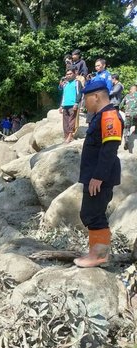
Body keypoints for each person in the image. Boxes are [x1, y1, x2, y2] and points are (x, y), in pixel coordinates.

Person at [73, 79, 123, 268]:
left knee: (93, 214)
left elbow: (110, 149)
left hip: (100, 177)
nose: (84, 103)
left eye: (86, 98)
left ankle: (100, 255)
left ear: (96, 96)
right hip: (94, 175)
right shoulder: (100, 116)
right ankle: (97, 252)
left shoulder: (109, 116)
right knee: (91, 213)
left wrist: (99, 177)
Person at [59, 67, 83, 143]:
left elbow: (79, 93)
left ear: (74, 74)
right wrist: (61, 106)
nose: (69, 75)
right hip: (65, 105)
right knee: (65, 122)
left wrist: (76, 103)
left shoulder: (77, 82)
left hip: (73, 104)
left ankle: (70, 136)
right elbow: (63, 95)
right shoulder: (65, 84)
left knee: (71, 121)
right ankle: (66, 136)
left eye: (70, 74)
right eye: (67, 74)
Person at [121, 85, 137, 150]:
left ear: (131, 90)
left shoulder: (127, 96)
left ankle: (126, 139)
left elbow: (120, 106)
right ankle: (136, 131)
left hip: (128, 114)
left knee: (126, 128)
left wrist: (125, 111)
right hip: (136, 114)